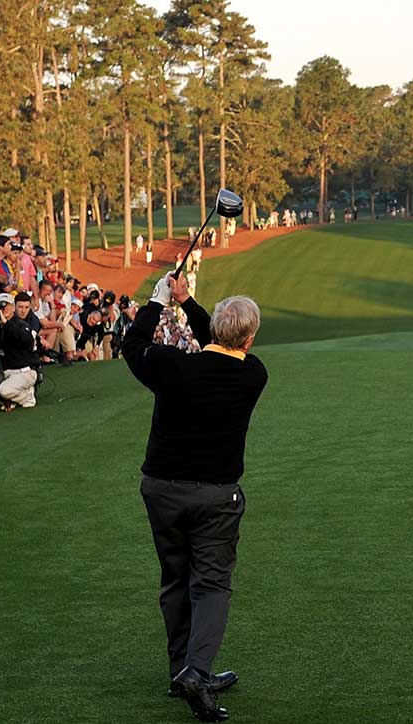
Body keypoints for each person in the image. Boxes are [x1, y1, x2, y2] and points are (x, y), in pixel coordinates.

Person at [122, 273, 267, 723]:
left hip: (161, 490)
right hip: (216, 497)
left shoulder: (171, 365)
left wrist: (160, 302)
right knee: (212, 584)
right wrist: (190, 305)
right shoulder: (252, 374)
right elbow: (224, 343)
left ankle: (181, 670)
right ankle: (195, 672)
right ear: (249, 336)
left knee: (175, 579)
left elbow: (132, 347)